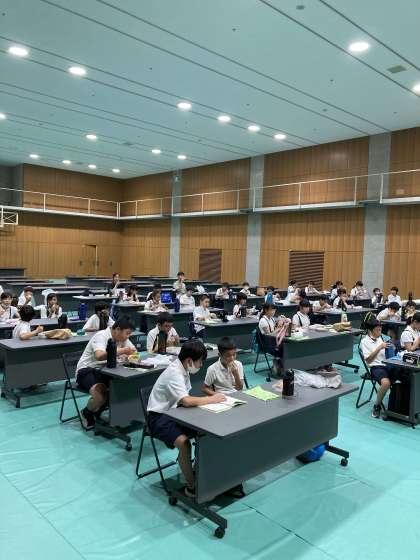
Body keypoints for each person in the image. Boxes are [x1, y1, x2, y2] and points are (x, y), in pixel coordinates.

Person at [147, 340, 226, 498]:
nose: (201, 365)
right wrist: (212, 399)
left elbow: (186, 400)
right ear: (189, 360)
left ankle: (198, 470)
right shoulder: (174, 372)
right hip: (158, 417)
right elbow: (186, 401)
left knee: (206, 430)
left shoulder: (184, 369)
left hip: (175, 413)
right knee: (184, 443)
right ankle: (191, 486)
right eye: (200, 362)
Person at [76, 316, 136, 430]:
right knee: (100, 395)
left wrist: (129, 355)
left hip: (108, 371)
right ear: (117, 329)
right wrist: (122, 351)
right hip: (87, 370)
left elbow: (133, 351)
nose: (128, 336)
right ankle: (87, 412)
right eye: (127, 333)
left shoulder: (123, 338)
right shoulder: (101, 335)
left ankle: (103, 412)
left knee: (124, 388)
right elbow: (99, 356)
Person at [360, 317, 400, 418]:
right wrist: (379, 347)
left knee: (407, 375)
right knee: (386, 383)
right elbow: (368, 360)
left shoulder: (381, 338)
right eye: (377, 330)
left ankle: (399, 405)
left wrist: (392, 348)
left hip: (387, 365)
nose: (380, 331)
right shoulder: (365, 341)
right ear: (370, 330)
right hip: (376, 367)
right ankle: (377, 406)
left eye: (380, 329)